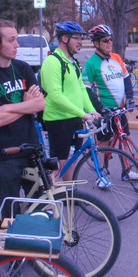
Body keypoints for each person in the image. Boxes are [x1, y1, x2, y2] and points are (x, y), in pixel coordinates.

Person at [0, 19, 45, 217]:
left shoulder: (23, 68)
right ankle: (6, 245)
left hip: (31, 149)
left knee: (39, 209)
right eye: (12, 40)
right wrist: (25, 106)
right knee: (11, 215)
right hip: (4, 155)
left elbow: (40, 104)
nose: (17, 45)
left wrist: (5, 109)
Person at [40, 21, 101, 181]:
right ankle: (50, 200)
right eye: (77, 38)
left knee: (72, 159)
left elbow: (82, 89)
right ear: (65, 38)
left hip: (75, 118)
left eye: (81, 38)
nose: (80, 42)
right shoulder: (52, 61)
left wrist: (91, 110)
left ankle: (69, 194)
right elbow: (55, 95)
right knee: (59, 163)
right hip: (58, 120)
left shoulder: (73, 62)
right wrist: (83, 113)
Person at [82, 24, 138, 177]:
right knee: (104, 143)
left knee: (125, 138)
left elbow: (126, 79)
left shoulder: (117, 58)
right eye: (105, 40)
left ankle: (126, 171)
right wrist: (100, 108)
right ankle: (101, 174)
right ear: (96, 44)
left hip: (120, 109)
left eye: (110, 39)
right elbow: (86, 90)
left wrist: (130, 98)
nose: (109, 43)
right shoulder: (91, 63)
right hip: (105, 111)